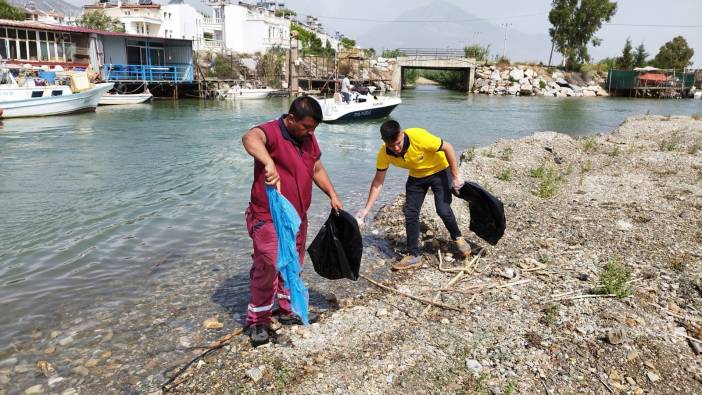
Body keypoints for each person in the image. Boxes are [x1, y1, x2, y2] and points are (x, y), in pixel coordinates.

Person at [241, 96, 343, 346]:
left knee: (294, 263)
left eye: (314, 128)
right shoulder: (273, 132)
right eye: (307, 127)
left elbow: (316, 168)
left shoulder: (308, 139)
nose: (310, 132)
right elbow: (250, 138)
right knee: (268, 263)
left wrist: (332, 194)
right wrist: (268, 162)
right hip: (268, 216)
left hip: (297, 216)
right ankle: (259, 320)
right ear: (291, 119)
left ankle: (288, 310)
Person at [356, 120, 471, 270]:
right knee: (410, 212)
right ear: (384, 142)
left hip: (440, 170)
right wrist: (366, 209)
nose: (396, 148)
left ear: (402, 134)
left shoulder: (419, 137)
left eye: (398, 143)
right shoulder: (384, 153)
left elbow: (448, 147)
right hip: (417, 176)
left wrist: (456, 176)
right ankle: (414, 255)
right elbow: (378, 182)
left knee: (442, 209)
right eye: (392, 145)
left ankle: (458, 237)